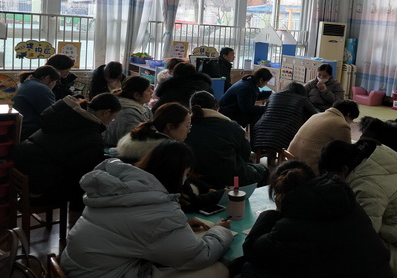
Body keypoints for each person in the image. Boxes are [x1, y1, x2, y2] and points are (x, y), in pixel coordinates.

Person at [60, 141, 233, 278]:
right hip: (106, 273)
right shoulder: (158, 210)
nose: (186, 180)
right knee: (217, 270)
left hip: (78, 266)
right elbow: (200, 256)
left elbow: (130, 229)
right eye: (186, 174)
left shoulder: (122, 190)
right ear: (177, 173)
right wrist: (219, 230)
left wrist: (179, 226)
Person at [242, 160, 393, 278]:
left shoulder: (290, 227)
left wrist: (274, 213)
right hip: (381, 272)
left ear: (279, 197)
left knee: (250, 268)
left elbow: (252, 250)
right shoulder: (347, 203)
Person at [319, 139, 397, 278]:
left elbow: (364, 235)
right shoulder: (380, 164)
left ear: (344, 170)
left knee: (349, 254)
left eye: (333, 177)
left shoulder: (367, 186)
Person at [13, 93, 121, 222]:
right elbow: (87, 171)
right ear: (106, 113)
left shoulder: (67, 117)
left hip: (22, 178)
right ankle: (77, 224)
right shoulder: (89, 133)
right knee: (85, 184)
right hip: (39, 190)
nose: (112, 121)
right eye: (113, 117)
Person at [186, 91, 268, 189]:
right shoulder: (232, 126)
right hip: (229, 177)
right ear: (216, 107)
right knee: (263, 170)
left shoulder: (185, 127)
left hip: (196, 176)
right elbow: (245, 154)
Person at [287, 99, 359, 175]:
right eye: (352, 119)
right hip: (308, 169)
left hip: (290, 160)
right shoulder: (341, 124)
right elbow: (348, 152)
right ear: (348, 114)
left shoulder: (315, 116)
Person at [113, 102, 191, 163]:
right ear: (169, 127)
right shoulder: (167, 154)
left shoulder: (137, 138)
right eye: (187, 126)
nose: (188, 131)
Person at [252, 81, 316, 150]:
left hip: (260, 131)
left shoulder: (273, 96)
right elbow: (315, 116)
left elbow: (266, 110)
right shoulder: (302, 99)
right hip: (285, 133)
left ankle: (265, 154)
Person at [103, 75, 153, 148]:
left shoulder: (143, 108)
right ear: (136, 95)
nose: (152, 92)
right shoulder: (127, 114)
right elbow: (131, 143)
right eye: (148, 90)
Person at [12, 65, 60, 140]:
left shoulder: (22, 84)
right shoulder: (43, 89)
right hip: (31, 130)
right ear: (47, 78)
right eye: (55, 81)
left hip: (17, 128)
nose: (54, 84)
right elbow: (50, 115)